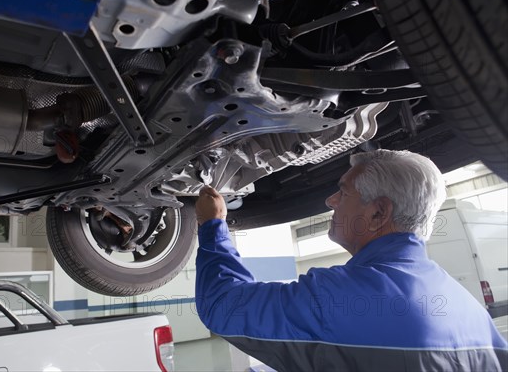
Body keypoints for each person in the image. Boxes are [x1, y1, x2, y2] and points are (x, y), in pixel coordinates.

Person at [194, 149, 508, 371]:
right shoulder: (470, 310)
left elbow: (222, 305)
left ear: (377, 213)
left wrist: (213, 226)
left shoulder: (342, 296)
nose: (330, 200)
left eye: (343, 192)